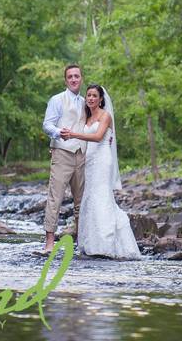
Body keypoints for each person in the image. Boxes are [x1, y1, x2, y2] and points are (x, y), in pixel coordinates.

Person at [60, 83, 141, 260]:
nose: (90, 98)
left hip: (103, 160)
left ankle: (106, 243)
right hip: (88, 162)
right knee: (89, 198)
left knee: (102, 196)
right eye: (88, 95)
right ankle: (90, 244)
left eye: (94, 96)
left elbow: (97, 137)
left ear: (101, 99)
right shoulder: (86, 117)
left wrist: (73, 134)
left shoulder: (105, 116)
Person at [40, 64, 88, 253]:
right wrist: (60, 133)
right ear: (66, 80)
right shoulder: (57, 100)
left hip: (81, 155)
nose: (74, 79)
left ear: (81, 78)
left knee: (81, 200)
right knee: (55, 198)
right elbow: (47, 125)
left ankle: (81, 241)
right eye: (70, 77)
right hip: (61, 153)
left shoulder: (86, 102)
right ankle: (49, 243)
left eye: (77, 76)